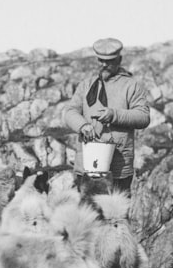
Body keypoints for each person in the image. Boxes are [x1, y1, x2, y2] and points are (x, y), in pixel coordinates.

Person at [63, 38, 150, 195]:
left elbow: (143, 116)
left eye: (109, 61)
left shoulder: (131, 86)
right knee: (86, 214)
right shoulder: (86, 85)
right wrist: (83, 126)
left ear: (119, 60)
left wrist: (114, 115)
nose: (104, 64)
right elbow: (70, 111)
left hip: (118, 166)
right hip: (86, 165)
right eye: (101, 60)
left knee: (115, 213)